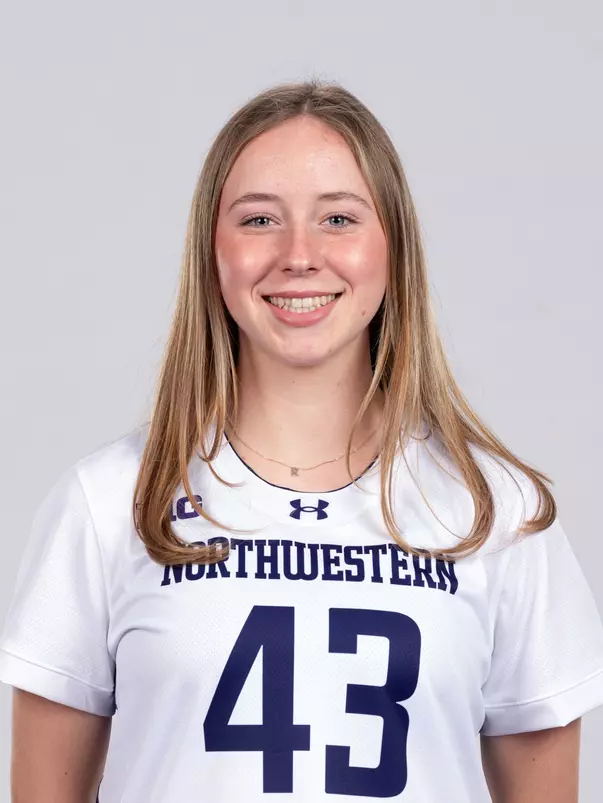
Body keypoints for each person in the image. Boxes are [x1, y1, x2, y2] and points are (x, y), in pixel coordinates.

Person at [1, 80, 602, 803]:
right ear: (211, 250)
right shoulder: (109, 504)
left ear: (393, 246)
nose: (298, 255)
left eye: (339, 218)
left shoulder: (495, 512)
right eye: (258, 219)